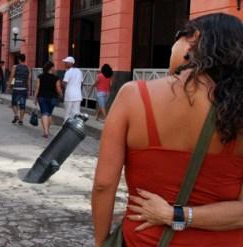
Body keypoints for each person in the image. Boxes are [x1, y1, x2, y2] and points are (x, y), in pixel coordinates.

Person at [92, 13, 243, 247]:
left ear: (194, 38)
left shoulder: (133, 96)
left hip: (144, 240)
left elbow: (104, 184)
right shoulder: (238, 113)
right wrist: (181, 215)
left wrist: (102, 241)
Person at [33, 61, 62, 138]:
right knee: (49, 114)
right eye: (54, 67)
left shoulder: (40, 77)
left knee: (44, 114)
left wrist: (35, 98)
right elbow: (58, 89)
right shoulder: (56, 78)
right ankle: (47, 130)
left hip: (42, 97)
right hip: (53, 98)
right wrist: (61, 95)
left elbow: (37, 88)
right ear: (51, 68)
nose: (54, 68)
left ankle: (45, 131)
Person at [7, 54, 31, 125]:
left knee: (14, 103)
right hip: (24, 89)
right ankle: (21, 120)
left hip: (16, 88)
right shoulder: (28, 68)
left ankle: (16, 115)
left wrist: (9, 86)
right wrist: (29, 90)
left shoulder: (15, 67)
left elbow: (12, 76)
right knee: (22, 105)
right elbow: (28, 80)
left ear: (19, 59)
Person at [62, 56, 83, 121]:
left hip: (69, 96)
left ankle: (66, 127)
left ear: (71, 63)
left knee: (67, 114)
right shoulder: (79, 71)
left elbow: (64, 83)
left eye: (66, 62)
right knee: (76, 113)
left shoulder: (68, 72)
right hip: (78, 96)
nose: (64, 64)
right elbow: (82, 83)